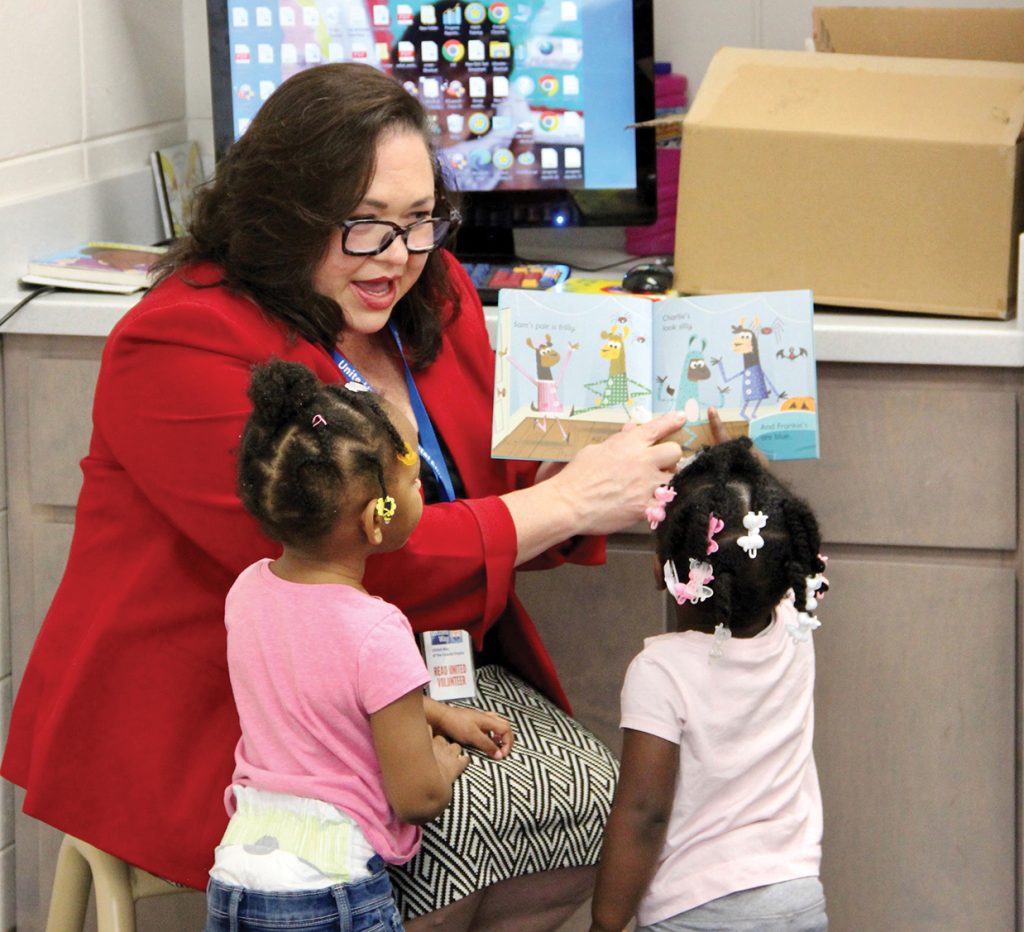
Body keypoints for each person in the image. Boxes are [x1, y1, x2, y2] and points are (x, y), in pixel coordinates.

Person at [2, 61, 689, 930]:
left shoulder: (427, 292)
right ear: (281, 218)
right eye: (364, 227)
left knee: (584, 809)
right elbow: (345, 559)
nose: (397, 257)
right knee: (445, 836)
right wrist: (567, 505)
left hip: (404, 663)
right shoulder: (176, 341)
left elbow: (481, 481)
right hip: (238, 704)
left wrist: (599, 466)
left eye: (418, 221)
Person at [207, 358, 511, 930]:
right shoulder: (376, 629)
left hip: (237, 876)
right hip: (330, 893)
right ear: (378, 519)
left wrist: (440, 713)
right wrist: (443, 764)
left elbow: (325, 691)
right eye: (412, 480)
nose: (421, 486)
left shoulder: (247, 591)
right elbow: (415, 798)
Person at [590, 437, 830, 932]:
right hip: (796, 896)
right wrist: (748, 468)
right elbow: (772, 543)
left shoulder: (661, 672)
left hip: (694, 910)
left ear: (663, 572)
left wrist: (605, 923)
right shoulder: (795, 624)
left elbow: (644, 813)